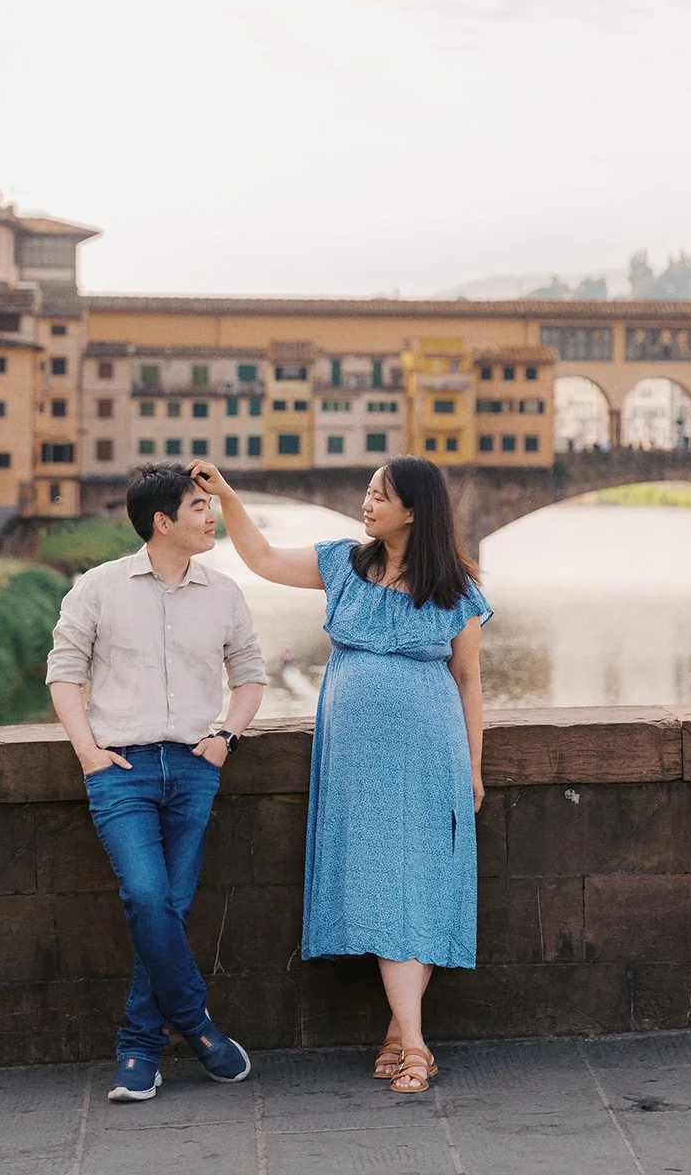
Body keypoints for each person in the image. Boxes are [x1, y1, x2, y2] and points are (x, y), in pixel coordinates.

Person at [190, 455, 491, 1096]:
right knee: (386, 885)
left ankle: (410, 1043)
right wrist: (229, 498)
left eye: (380, 495)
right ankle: (405, 1037)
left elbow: (468, 681)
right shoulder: (343, 565)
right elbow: (264, 559)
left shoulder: (457, 587)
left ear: (414, 509)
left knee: (420, 883)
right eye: (367, 491)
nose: (367, 502)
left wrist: (473, 765)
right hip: (357, 761)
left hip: (428, 753)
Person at [46, 464, 267, 1102]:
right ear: (162, 522)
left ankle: (138, 1051)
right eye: (200, 507)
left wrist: (226, 736)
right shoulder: (98, 588)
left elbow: (249, 673)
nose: (212, 515)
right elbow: (64, 671)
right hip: (120, 770)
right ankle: (195, 1026)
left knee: (170, 906)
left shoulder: (223, 592)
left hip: (196, 767)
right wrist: (87, 751)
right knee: (148, 898)